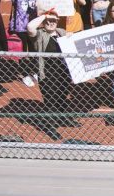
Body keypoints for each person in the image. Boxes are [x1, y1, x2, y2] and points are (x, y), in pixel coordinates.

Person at [26, 11, 76, 139]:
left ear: (57, 20)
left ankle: (62, 119)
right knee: (51, 101)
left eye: (53, 20)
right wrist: (44, 15)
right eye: (47, 21)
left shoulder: (61, 32)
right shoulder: (40, 35)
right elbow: (30, 27)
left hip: (63, 72)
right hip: (48, 74)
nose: (50, 23)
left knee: (62, 97)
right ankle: (51, 126)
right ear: (43, 22)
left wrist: (71, 36)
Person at [0, 0, 37, 86]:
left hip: (32, 26)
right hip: (20, 28)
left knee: (34, 50)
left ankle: (34, 71)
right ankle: (24, 75)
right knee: (23, 52)